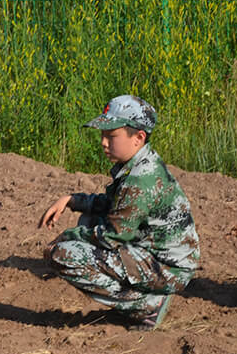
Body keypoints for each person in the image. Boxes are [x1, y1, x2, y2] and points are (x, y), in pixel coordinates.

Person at [38, 95, 200, 330]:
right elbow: (114, 206)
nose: (103, 142)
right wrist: (73, 200)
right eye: (103, 135)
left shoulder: (140, 179)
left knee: (62, 255)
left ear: (138, 138)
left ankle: (145, 305)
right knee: (90, 219)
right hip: (163, 257)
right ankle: (144, 296)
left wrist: (69, 236)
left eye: (111, 136)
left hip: (168, 268)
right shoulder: (140, 163)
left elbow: (113, 235)